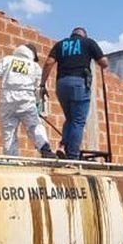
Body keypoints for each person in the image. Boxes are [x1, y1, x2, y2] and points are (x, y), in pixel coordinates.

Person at [0, 43, 55, 158]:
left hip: (7, 99)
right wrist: (38, 104)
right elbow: (39, 88)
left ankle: (11, 159)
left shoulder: (8, 60)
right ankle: (45, 149)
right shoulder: (34, 66)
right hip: (26, 100)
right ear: (32, 55)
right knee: (34, 125)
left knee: (9, 131)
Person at [41, 27, 108, 159]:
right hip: (79, 84)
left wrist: (42, 84)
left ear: (72, 35)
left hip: (61, 85)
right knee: (78, 121)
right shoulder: (88, 43)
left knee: (70, 119)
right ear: (84, 35)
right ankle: (73, 156)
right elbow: (104, 63)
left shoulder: (60, 44)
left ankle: (62, 146)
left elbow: (49, 62)